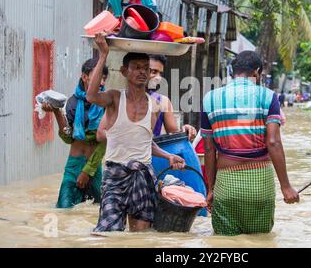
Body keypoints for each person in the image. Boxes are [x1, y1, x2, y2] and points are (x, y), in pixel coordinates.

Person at [88, 33, 185, 232]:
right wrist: (103, 55)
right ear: (124, 71)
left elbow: (145, 141)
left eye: (146, 68)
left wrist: (168, 155)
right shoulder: (114, 98)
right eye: (137, 67)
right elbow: (91, 95)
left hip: (143, 174)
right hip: (115, 176)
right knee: (107, 233)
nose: (142, 72)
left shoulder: (156, 105)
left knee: (140, 236)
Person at [200, 50, 299, 236]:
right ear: (257, 72)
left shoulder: (209, 99)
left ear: (232, 71)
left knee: (224, 244)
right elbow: (273, 142)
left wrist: (211, 189)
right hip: (260, 186)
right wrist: (286, 187)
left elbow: (208, 149)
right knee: (260, 241)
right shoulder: (268, 96)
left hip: (226, 184)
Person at [42, 59, 108, 208]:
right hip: (73, 165)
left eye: (104, 78)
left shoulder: (106, 103)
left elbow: (104, 143)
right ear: (84, 77)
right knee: (63, 209)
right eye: (98, 77)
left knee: (98, 209)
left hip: (94, 166)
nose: (102, 82)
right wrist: (56, 111)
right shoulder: (72, 103)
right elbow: (68, 138)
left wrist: (87, 171)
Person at [96, 54, 197, 141]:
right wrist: (127, 140)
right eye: (153, 71)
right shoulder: (119, 98)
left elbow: (174, 134)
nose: (158, 77)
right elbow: (101, 133)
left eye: (160, 73)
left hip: (151, 159)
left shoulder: (162, 102)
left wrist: (185, 130)